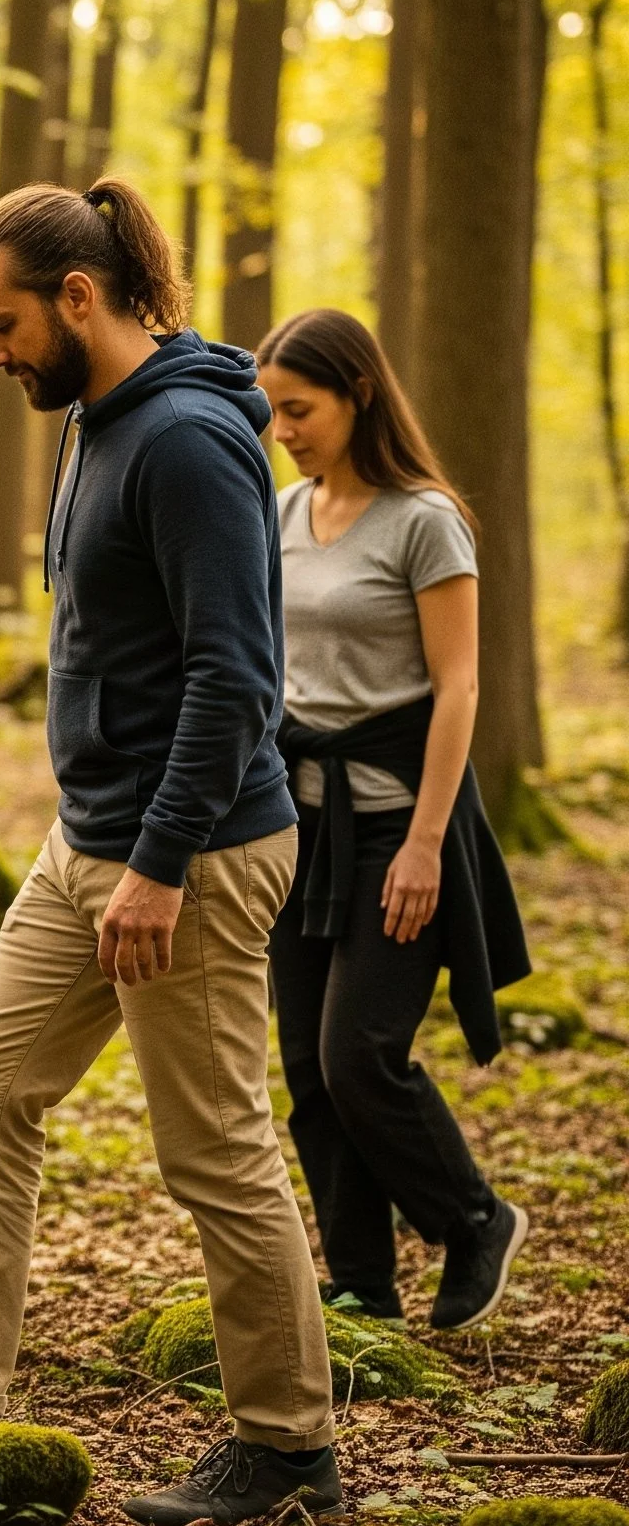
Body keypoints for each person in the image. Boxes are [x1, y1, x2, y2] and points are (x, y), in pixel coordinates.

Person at [0, 178, 342, 1526]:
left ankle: (289, 1447)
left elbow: (235, 678)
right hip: (91, 842)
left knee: (213, 1151)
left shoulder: (192, 440)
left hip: (187, 854)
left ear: (80, 298)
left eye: (5, 322)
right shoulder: (92, 419)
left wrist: (159, 863)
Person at [258, 308, 531, 1331]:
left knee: (357, 1052)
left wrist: (421, 842)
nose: (283, 426)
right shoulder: (283, 513)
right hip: (300, 830)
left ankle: (471, 1217)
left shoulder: (424, 520)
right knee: (302, 1069)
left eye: (300, 407)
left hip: (394, 829)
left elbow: (458, 689)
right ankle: (361, 1280)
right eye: (273, 410)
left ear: (356, 393)